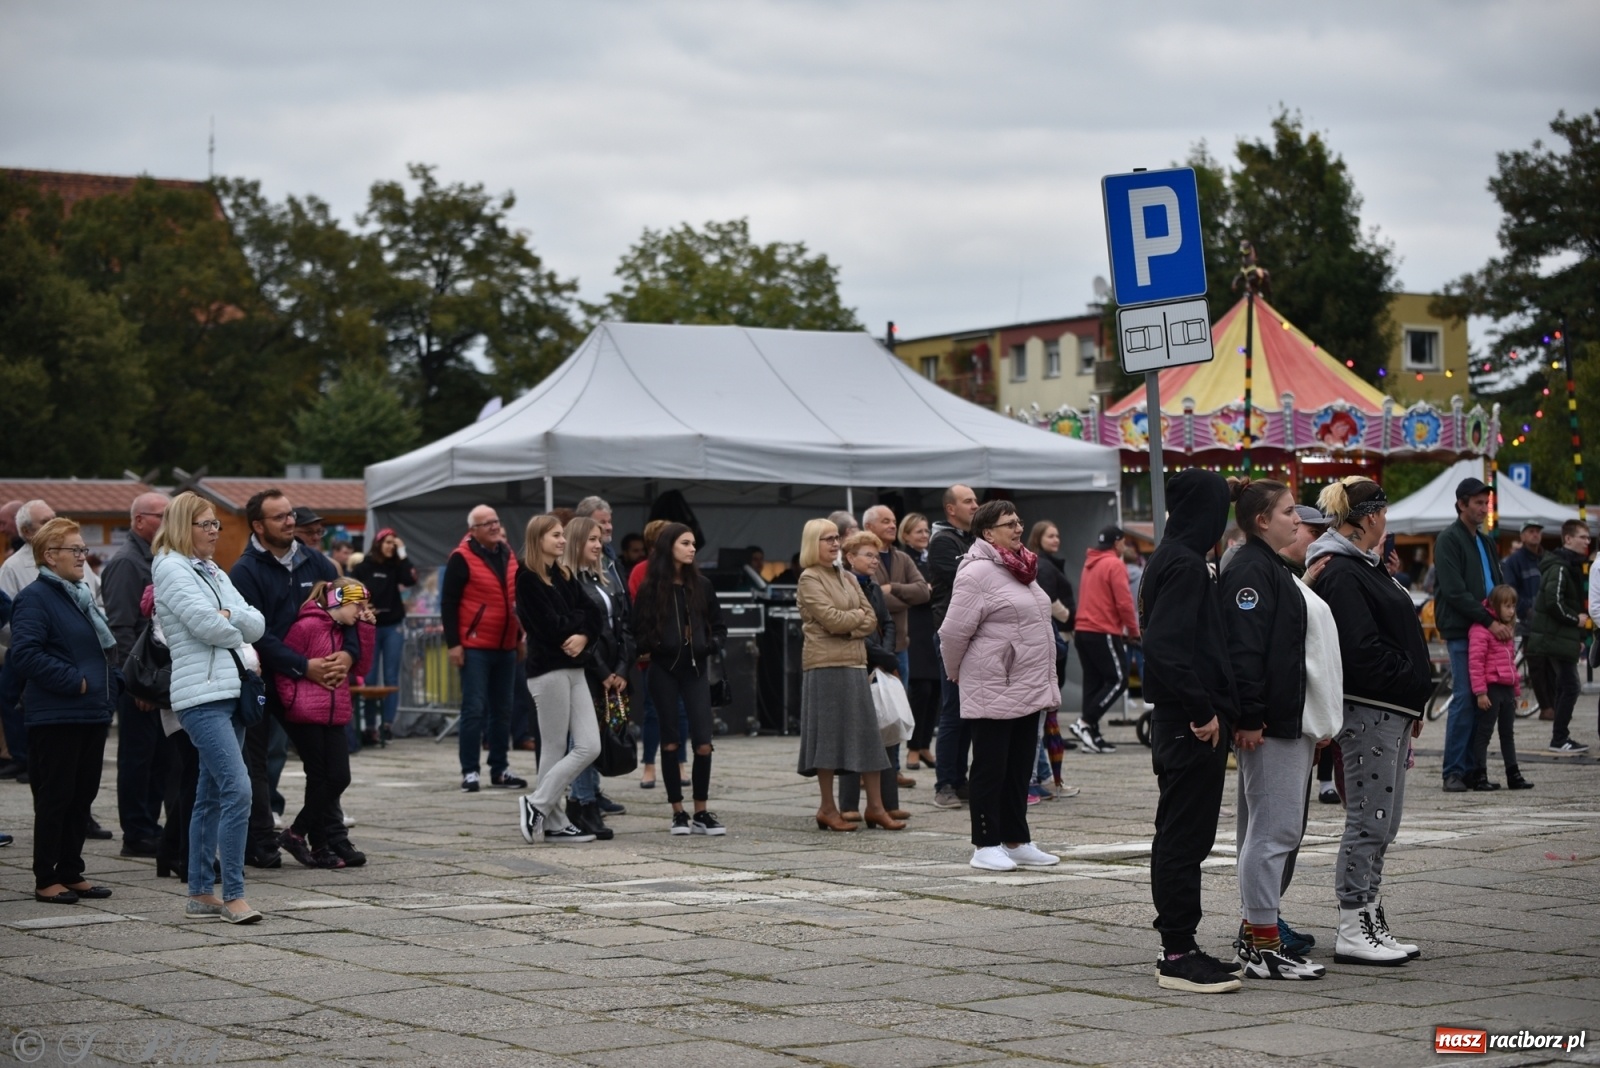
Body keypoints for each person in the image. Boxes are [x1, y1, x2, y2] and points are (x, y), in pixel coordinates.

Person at [1306, 476, 1431, 966]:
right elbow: (1360, 651)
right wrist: (1408, 683)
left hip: (1391, 709)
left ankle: (1370, 915)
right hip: (1370, 710)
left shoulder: (1365, 567)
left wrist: (1411, 696)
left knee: (1385, 822)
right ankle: (1352, 923)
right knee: (1369, 820)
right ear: (1371, 516)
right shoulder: (1341, 571)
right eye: (1383, 512)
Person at [1218, 480, 1338, 981]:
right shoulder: (1250, 568)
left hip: (1283, 719)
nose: (1298, 518)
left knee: (1267, 831)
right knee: (1274, 832)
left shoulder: (1270, 566)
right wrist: (1250, 718)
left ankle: (1257, 938)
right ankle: (1263, 946)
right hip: (1270, 724)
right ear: (1262, 520)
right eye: (1289, 511)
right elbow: (1246, 651)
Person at [1138, 470, 1241, 994]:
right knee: (1182, 837)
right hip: (1188, 723)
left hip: (1184, 720)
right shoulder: (1185, 565)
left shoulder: (1174, 556)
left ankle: (1183, 944)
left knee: (1186, 835)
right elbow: (1165, 646)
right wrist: (1202, 710)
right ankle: (1177, 950)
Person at [152, 492, 268, 924]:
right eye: (205, 524)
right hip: (200, 695)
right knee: (238, 789)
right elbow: (206, 626)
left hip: (230, 690)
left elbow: (255, 622)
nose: (215, 531)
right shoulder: (170, 566)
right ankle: (234, 893)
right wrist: (228, 620)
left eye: (216, 524)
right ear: (184, 526)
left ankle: (201, 892)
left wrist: (226, 617)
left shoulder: (213, 569)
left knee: (211, 795)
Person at [229, 489, 350, 867]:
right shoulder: (244, 571)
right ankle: (262, 842)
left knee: (329, 770)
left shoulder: (319, 564)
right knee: (258, 763)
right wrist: (302, 663)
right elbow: (256, 633)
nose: (290, 521)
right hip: (264, 679)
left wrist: (348, 655)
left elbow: (348, 617)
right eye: (279, 517)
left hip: (311, 683)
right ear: (258, 525)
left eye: (290, 514)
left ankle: (325, 837)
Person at [939, 501, 1060, 872]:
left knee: (1020, 766)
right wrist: (957, 672)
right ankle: (986, 842)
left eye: (1019, 521)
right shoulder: (976, 572)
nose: (1018, 527)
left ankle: (1016, 839)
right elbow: (954, 632)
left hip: (1027, 681)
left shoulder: (1021, 566)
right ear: (987, 533)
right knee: (991, 767)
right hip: (994, 680)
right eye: (1009, 524)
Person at [8, 518, 118, 906]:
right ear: (50, 556)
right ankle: (46, 877)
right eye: (75, 550)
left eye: (84, 550)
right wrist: (75, 682)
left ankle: (71, 871)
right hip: (57, 714)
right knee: (55, 797)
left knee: (81, 796)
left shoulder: (78, 593)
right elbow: (25, 653)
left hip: (90, 713)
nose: (83, 557)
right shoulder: (36, 597)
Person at [794, 519, 901, 833]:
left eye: (835, 538)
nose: (834, 544)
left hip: (855, 664)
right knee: (828, 739)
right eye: (826, 539)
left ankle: (876, 808)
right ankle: (828, 807)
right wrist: (853, 622)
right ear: (812, 543)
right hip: (825, 667)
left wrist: (850, 623)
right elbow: (832, 620)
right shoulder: (809, 578)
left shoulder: (848, 577)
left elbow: (871, 618)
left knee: (868, 736)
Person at [512, 515, 602, 844]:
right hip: (548, 671)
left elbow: (594, 613)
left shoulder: (562, 574)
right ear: (539, 539)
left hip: (575, 667)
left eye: (563, 534)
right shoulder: (527, 578)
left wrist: (581, 635)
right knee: (552, 747)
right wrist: (577, 626)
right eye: (555, 535)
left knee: (590, 745)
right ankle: (552, 818)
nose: (562, 540)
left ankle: (538, 805)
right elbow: (549, 628)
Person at [634, 523, 729, 834]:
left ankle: (701, 810)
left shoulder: (702, 585)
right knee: (670, 741)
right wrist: (656, 645)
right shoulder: (651, 587)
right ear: (669, 547)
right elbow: (638, 628)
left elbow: (719, 626)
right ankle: (678, 811)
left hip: (696, 669)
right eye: (685, 543)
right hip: (663, 670)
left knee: (704, 743)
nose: (692, 549)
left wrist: (709, 644)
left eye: (693, 544)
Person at [277, 578, 375, 868]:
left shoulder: (347, 629)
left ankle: (299, 835)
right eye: (358, 605)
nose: (361, 611)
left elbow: (362, 667)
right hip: (306, 713)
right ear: (338, 600)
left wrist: (367, 629)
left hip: (335, 712)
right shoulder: (305, 626)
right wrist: (291, 700)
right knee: (322, 778)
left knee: (335, 777)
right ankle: (315, 843)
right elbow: (285, 667)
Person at [101, 491, 171, 859]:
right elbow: (121, 629)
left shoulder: (159, 559)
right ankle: (137, 831)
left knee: (159, 757)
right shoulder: (128, 563)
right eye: (163, 515)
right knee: (138, 758)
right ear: (140, 520)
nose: (169, 522)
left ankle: (149, 824)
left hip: (159, 680)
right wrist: (137, 683)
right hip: (139, 680)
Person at [1431, 477, 1511, 792]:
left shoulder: (1485, 540)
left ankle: (1474, 770)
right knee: (1466, 696)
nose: (1483, 508)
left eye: (1485, 503)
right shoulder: (1449, 539)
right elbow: (1453, 591)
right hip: (1465, 629)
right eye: (1477, 503)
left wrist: (1505, 616)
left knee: (1485, 700)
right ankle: (1453, 770)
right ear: (1462, 503)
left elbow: (1497, 583)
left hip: (1490, 628)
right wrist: (1488, 621)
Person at [440, 505, 527, 793]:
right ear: (473, 530)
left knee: (503, 710)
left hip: (505, 645)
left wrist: (518, 638)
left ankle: (500, 768)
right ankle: (470, 771)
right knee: (474, 708)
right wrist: (454, 644)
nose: (493, 526)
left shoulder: (507, 552)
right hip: (475, 645)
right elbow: (449, 604)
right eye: (486, 523)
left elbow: (515, 599)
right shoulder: (461, 558)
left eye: (496, 521)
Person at [564, 515, 635, 840]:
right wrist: (604, 672)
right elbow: (578, 634)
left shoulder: (602, 577)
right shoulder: (567, 581)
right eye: (592, 539)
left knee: (599, 737)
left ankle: (585, 802)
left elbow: (620, 627)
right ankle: (583, 803)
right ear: (576, 542)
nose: (598, 544)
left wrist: (621, 668)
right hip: (586, 671)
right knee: (583, 741)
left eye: (599, 539)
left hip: (611, 670)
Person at [836, 530, 909, 823]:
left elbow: (888, 623)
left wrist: (886, 655)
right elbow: (853, 630)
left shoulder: (876, 588)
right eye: (868, 555)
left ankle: (889, 804)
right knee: (855, 736)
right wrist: (883, 656)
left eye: (876, 556)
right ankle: (849, 805)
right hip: (855, 666)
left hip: (879, 665)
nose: (874, 561)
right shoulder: (843, 586)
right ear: (850, 557)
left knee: (888, 731)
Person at [863, 504, 929, 788]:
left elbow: (924, 592)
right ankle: (870, 771)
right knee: (873, 711)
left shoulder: (901, 557)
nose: (892, 525)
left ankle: (894, 770)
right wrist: (903, 596)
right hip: (871, 648)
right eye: (885, 521)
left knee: (897, 711)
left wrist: (894, 590)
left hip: (900, 646)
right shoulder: (866, 558)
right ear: (870, 527)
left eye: (893, 521)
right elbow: (874, 599)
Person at [929, 484, 979, 809]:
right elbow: (971, 576)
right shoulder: (942, 543)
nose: (976, 505)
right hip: (950, 634)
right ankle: (944, 783)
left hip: (975, 635)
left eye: (976, 500)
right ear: (951, 509)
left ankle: (961, 780)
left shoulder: (973, 540)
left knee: (969, 712)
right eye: (968, 501)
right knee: (952, 711)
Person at [1070, 525, 1140, 755]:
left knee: (1094, 684)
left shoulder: (1091, 563)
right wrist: (1133, 630)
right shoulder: (1114, 563)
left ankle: (1092, 736)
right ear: (1117, 542)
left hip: (1083, 630)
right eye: (1123, 542)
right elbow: (1123, 603)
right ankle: (1086, 722)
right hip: (1103, 631)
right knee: (1118, 680)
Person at [630, 518, 687, 789]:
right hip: (655, 654)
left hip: (682, 654)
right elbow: (637, 611)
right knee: (653, 710)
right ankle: (649, 765)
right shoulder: (642, 571)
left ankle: (681, 763)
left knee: (682, 710)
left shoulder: (685, 571)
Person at [1528, 519, 1593, 755]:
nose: (1587, 541)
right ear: (1568, 539)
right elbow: (1553, 602)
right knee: (1571, 686)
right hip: (1554, 637)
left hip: (1560, 637)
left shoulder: (1569, 565)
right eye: (1583, 537)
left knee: (1565, 685)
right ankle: (1559, 737)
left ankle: (1560, 736)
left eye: (1588, 538)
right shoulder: (1560, 566)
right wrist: (1576, 620)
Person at [350, 529, 418, 746]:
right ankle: (370, 727)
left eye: (393, 543)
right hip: (370, 625)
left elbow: (410, 579)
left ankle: (387, 725)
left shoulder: (396, 566)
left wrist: (403, 552)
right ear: (378, 543)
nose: (391, 546)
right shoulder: (364, 566)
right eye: (388, 542)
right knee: (369, 677)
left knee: (391, 676)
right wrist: (364, 606)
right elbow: (352, 590)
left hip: (393, 625)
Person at [1027, 520, 1078, 794]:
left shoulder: (1049, 563)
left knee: (1049, 715)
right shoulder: (1043, 565)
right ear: (1038, 538)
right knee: (1047, 712)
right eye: (1050, 535)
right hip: (1054, 636)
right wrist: (1069, 616)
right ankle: (1041, 778)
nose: (1056, 539)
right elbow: (1047, 599)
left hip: (1058, 636)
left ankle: (1046, 777)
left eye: (1058, 534)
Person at [1468, 585, 1532, 790]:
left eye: (1513, 606)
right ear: (1495, 606)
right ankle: (1479, 774)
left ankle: (1513, 774)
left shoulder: (1507, 630)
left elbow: (1511, 662)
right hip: (1492, 688)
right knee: (1484, 732)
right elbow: (1476, 663)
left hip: (1506, 688)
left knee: (1508, 733)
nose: (1511, 610)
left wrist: (1515, 690)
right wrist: (1481, 692)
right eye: (1507, 606)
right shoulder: (1481, 630)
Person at [899, 513, 939, 770]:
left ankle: (925, 745)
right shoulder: (904, 560)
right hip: (914, 627)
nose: (924, 535)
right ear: (906, 536)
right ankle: (912, 747)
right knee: (920, 690)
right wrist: (924, 590)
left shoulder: (932, 558)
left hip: (933, 626)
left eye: (926, 531)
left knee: (935, 690)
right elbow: (913, 591)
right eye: (918, 531)